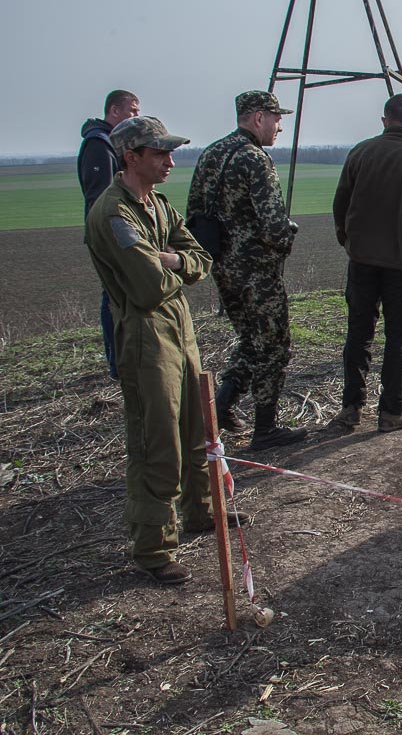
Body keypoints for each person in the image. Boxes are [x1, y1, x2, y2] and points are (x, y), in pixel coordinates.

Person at [84, 117, 241, 585]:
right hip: (144, 332)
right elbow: (148, 285)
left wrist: (173, 259)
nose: (170, 161)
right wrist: (177, 266)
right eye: (160, 153)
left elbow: (201, 259)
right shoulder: (114, 213)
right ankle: (154, 548)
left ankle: (202, 511)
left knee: (197, 425)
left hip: (179, 326)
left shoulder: (158, 204)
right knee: (158, 443)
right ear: (131, 157)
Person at [187, 91, 306, 450]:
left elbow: (194, 214)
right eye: (276, 118)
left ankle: (221, 405)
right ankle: (266, 427)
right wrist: (285, 240)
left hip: (223, 267)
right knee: (274, 345)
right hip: (257, 270)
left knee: (250, 339)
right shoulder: (254, 158)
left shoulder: (212, 154)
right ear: (258, 118)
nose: (279, 126)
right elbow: (273, 222)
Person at [327, 94, 402, 434]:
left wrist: (348, 241)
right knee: (399, 337)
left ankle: (351, 408)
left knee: (358, 333)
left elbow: (340, 203)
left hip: (362, 260)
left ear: (384, 121)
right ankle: (392, 410)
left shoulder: (360, 153)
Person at [78, 89, 139, 380]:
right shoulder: (99, 144)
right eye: (132, 111)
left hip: (120, 229)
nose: (135, 116)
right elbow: (100, 198)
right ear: (114, 110)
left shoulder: (112, 142)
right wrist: (112, 235)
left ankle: (125, 358)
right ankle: (117, 363)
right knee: (113, 296)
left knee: (122, 293)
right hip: (109, 233)